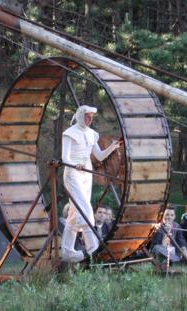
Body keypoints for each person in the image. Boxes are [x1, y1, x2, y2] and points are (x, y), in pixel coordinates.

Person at [60, 105, 121, 263]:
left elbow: (99, 156)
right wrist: (75, 165)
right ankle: (94, 251)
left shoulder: (92, 134)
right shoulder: (69, 134)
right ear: (80, 116)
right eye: (87, 117)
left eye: (91, 118)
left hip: (86, 173)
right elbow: (64, 158)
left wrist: (113, 146)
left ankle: (67, 252)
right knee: (85, 209)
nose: (89, 120)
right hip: (73, 173)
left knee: (75, 212)